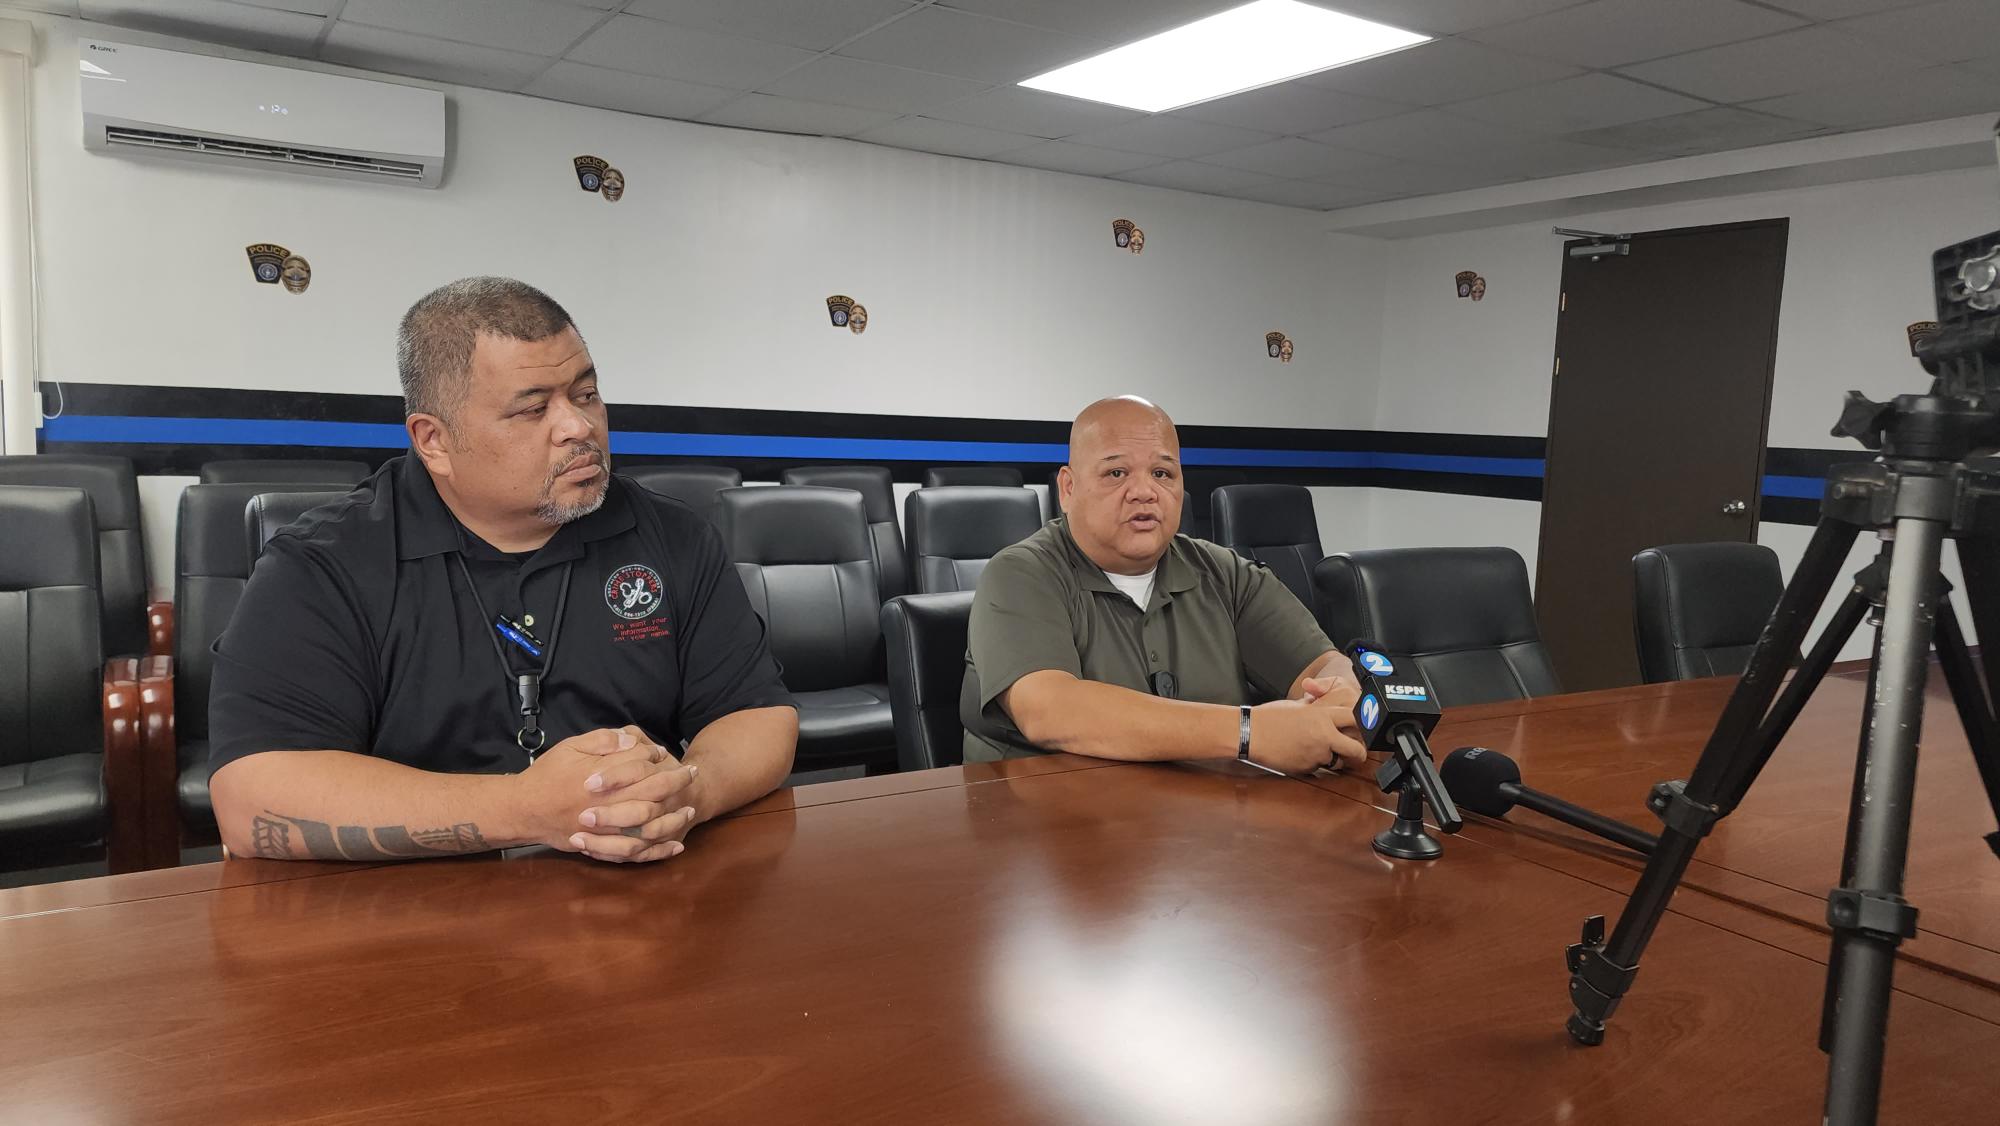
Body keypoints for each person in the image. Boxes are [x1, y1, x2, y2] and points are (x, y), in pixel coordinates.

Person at [207, 277, 798, 865]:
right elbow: (252, 797)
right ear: (433, 440)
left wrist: (689, 789)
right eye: (534, 408)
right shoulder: (323, 563)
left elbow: (758, 714)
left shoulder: (673, 536)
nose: (579, 428)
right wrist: (522, 807)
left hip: (633, 895)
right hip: (406, 916)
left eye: (586, 394)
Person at [961, 396, 1366, 773]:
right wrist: (1248, 731)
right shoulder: (1019, 574)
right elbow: (1049, 710)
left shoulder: (1225, 573)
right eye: (1116, 473)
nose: (1143, 492)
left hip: (1201, 828)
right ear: (1068, 489)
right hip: (1048, 830)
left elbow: (1320, 664)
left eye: (1162, 473)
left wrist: (1337, 698)